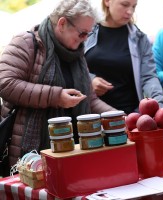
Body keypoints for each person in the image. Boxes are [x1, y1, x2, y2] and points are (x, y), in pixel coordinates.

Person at [0, 0, 115, 172]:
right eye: (83, 33)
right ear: (62, 23)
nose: (85, 39)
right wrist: (56, 97)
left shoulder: (76, 54)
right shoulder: (26, 42)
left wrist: (116, 116)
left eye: (89, 34)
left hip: (71, 152)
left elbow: (88, 100)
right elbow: (5, 83)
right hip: (31, 155)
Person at [84, 0, 163, 115]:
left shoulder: (139, 39)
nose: (130, 11)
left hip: (130, 117)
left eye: (134, 6)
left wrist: (160, 108)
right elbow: (72, 68)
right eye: (125, 4)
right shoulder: (86, 32)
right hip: (91, 119)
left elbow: (149, 77)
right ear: (107, 1)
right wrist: (90, 81)